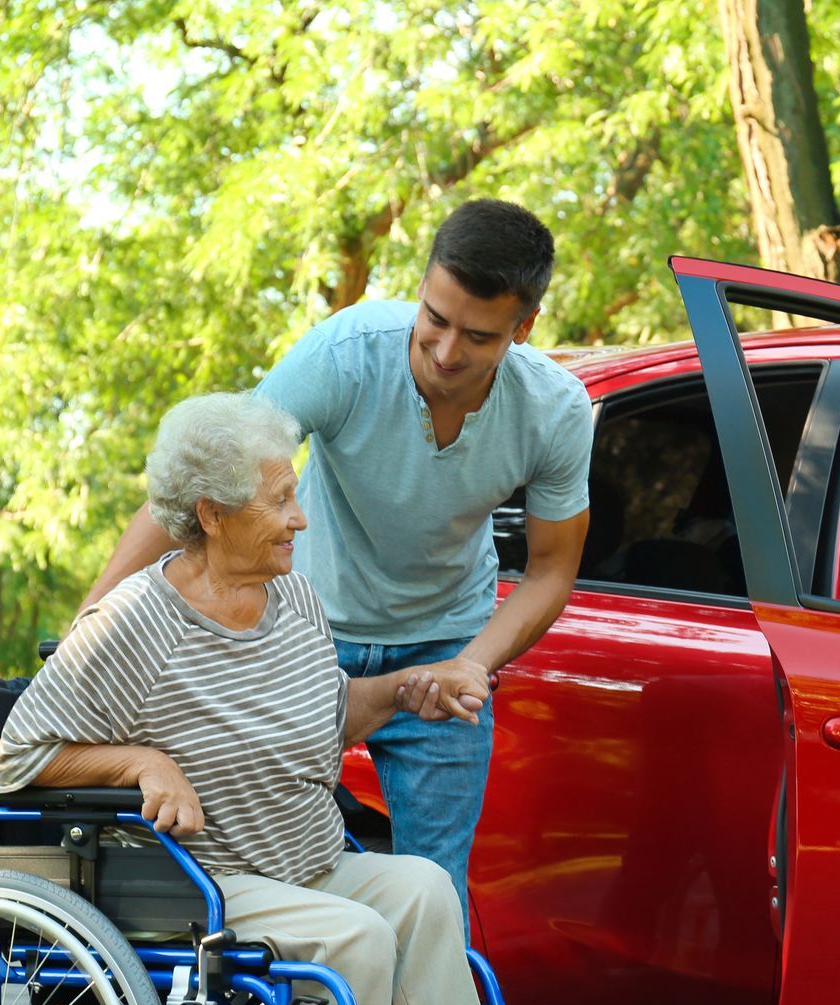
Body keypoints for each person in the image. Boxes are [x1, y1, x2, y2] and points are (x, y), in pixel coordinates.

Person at [0, 393, 580, 1005]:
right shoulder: (129, 626)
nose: (301, 519)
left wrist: (405, 692)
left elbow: (321, 711)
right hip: (211, 884)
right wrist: (143, 758)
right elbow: (19, 760)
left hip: (307, 857)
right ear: (213, 515)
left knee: (423, 888)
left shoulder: (291, 597)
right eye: (280, 501)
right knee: (356, 935)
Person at [82, 199, 593, 925]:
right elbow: (210, 484)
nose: (446, 351)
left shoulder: (555, 410)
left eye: (477, 336)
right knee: (264, 862)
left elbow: (549, 570)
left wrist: (472, 664)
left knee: (436, 889)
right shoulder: (348, 353)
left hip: (445, 639)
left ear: (524, 327)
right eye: (434, 319)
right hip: (304, 635)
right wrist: (95, 618)